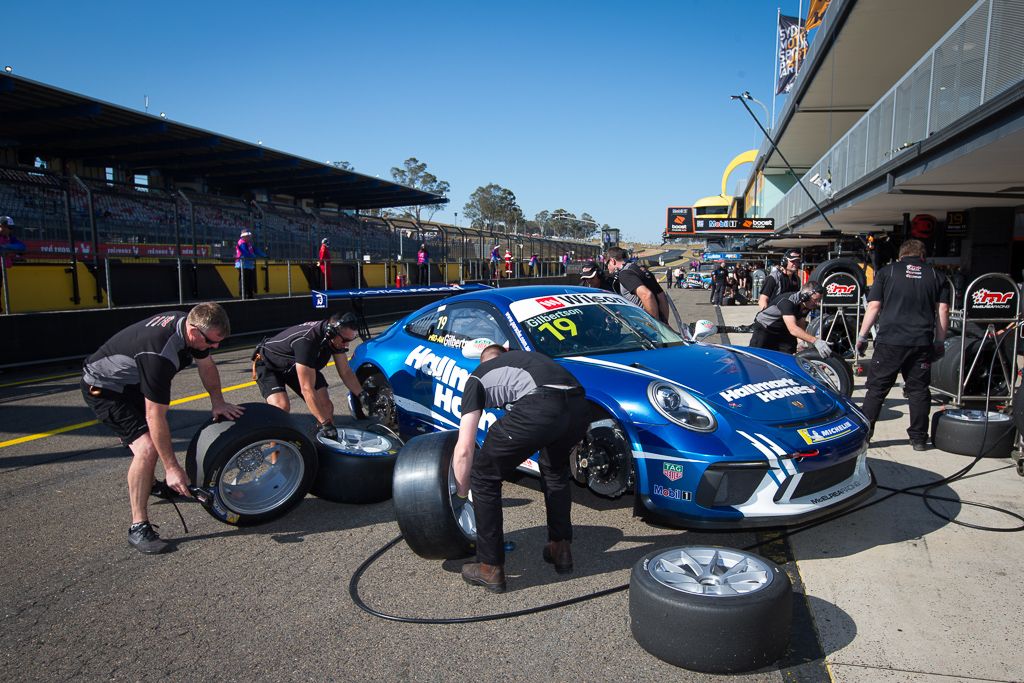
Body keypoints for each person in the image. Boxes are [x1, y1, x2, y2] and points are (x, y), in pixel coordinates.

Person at [81, 303, 244, 554]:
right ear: (193, 331)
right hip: (105, 389)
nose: (214, 347)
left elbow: (207, 365)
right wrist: (172, 468)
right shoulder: (159, 355)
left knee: (149, 443)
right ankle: (138, 527)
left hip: (130, 381)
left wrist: (218, 402)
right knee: (146, 448)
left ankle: (153, 484)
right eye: (211, 342)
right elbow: (155, 415)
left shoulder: (191, 328)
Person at [453, 346, 590, 593]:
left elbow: (464, 450)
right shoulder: (529, 361)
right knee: (555, 469)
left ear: (482, 363)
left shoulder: (476, 378)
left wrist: (461, 495)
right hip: (579, 405)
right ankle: (560, 549)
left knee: (484, 476)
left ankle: (489, 566)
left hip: (542, 402)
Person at [855, 239, 950, 450]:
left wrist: (862, 337)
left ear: (901, 256)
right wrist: (940, 342)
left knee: (877, 390)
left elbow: (873, 306)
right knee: (918, 390)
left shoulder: (887, 272)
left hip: (890, 340)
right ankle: (918, 439)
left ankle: (864, 437)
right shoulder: (936, 275)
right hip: (921, 342)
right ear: (923, 256)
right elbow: (942, 311)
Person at [251, 312, 368, 435]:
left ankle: (320, 442)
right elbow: (307, 389)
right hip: (270, 366)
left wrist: (362, 395)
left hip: (297, 365)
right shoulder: (307, 341)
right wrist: (325, 424)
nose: (347, 344)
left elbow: (346, 372)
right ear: (331, 333)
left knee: (326, 408)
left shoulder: (335, 339)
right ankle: (276, 451)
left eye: (350, 340)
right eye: (345, 340)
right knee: (281, 408)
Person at [749, 281, 831, 356]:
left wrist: (801, 342)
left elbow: (800, 321)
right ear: (805, 296)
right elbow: (793, 329)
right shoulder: (787, 302)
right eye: (816, 300)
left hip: (783, 329)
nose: (817, 303)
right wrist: (815, 341)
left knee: (788, 357)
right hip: (764, 328)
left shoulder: (807, 304)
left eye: (819, 300)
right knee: (757, 357)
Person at [604, 247, 671, 325]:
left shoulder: (624, 274)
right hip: (659, 321)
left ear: (612, 261)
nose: (607, 268)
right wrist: (665, 323)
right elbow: (661, 296)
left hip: (644, 326)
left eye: (607, 264)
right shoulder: (641, 269)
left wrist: (655, 326)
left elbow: (647, 295)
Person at [0, 216, 26, 311]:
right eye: (9, 228)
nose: (10, 230)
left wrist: (5, 247)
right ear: (1, 226)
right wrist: (8, 250)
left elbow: (22, 247)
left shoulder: (9, 237)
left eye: (11, 228)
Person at [235, 229, 263, 299]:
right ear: (243, 236)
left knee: (250, 280)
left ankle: (250, 296)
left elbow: (256, 250)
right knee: (244, 280)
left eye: (248, 236)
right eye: (247, 236)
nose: (248, 237)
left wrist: (264, 255)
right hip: (242, 264)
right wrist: (253, 256)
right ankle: (243, 296)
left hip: (249, 265)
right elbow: (245, 253)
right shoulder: (242, 243)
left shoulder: (249, 243)